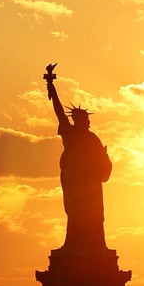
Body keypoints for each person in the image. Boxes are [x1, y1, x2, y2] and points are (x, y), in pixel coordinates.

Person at [46, 66, 112, 251]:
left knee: (93, 215)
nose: (88, 122)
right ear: (78, 120)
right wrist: (51, 86)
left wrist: (105, 158)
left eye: (88, 120)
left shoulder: (92, 139)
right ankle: (74, 244)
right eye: (85, 120)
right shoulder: (70, 133)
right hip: (75, 182)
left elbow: (103, 167)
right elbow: (59, 113)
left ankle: (94, 246)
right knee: (76, 215)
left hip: (90, 186)